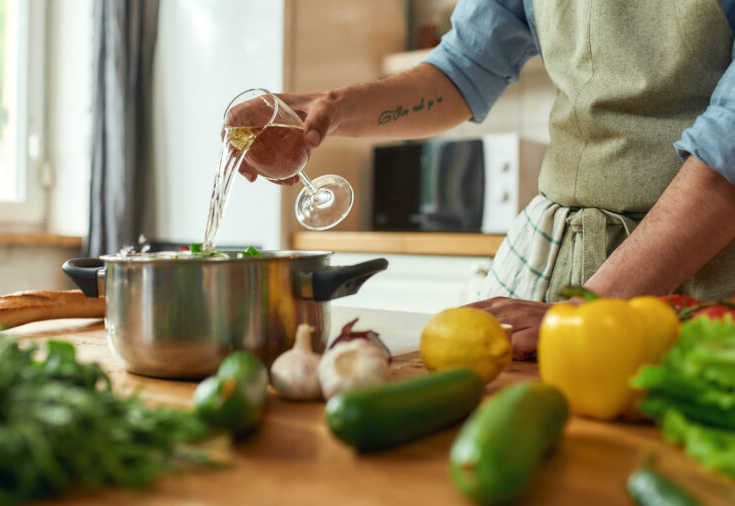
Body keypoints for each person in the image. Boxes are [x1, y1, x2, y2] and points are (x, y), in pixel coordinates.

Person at [238, 0, 735, 359]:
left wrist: (594, 306)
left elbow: (727, 149)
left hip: (701, 272)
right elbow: (461, 70)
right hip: (566, 266)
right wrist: (330, 111)